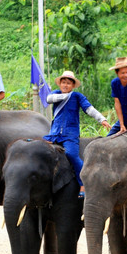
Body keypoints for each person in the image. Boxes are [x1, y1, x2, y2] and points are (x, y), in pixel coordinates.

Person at [44, 70, 111, 199]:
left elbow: (89, 109)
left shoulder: (78, 96)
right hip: (55, 133)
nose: (65, 85)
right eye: (63, 83)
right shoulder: (56, 94)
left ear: (73, 85)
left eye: (68, 83)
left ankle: (83, 183)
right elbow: (48, 99)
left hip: (70, 133)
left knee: (71, 154)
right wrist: (67, 95)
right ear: (60, 84)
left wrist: (102, 119)